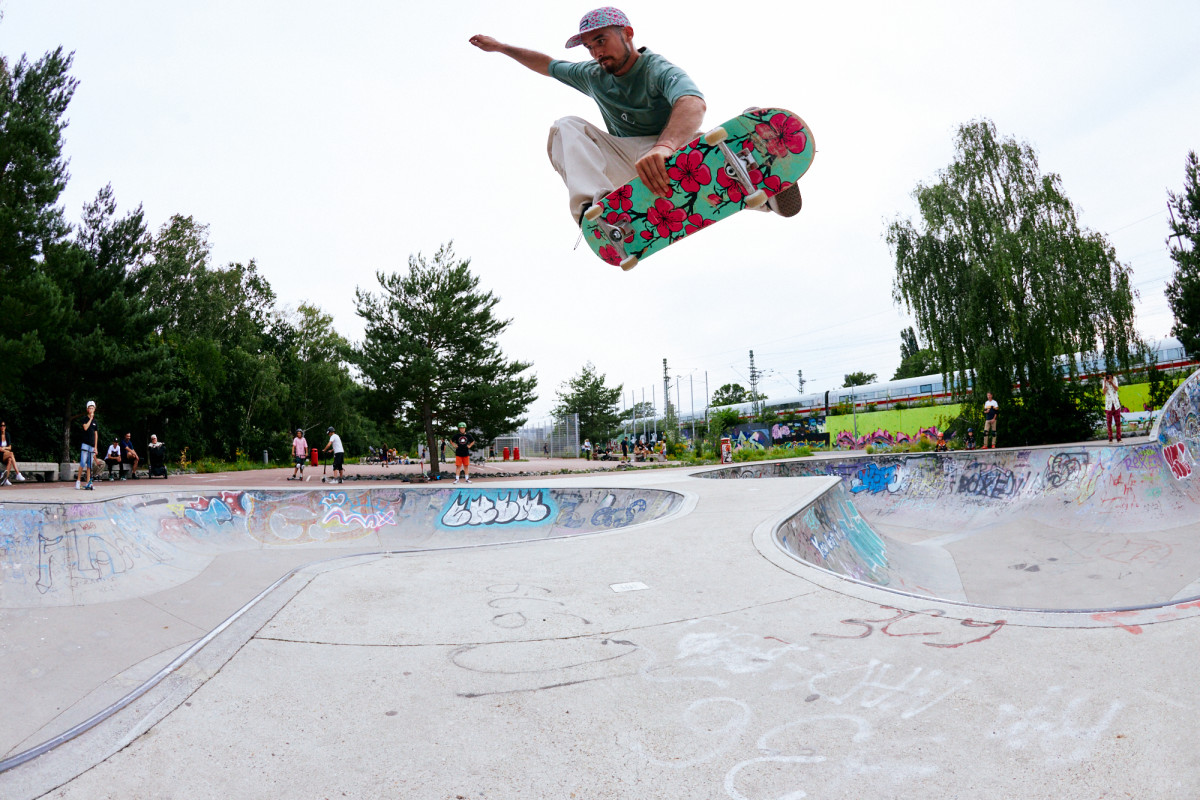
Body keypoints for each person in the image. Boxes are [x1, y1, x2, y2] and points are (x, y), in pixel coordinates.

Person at [470, 9, 802, 227]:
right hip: (627, 162)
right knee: (565, 127)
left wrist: (664, 147)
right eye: (589, 47)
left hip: (674, 153)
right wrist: (501, 47)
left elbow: (692, 102)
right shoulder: (592, 74)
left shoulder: (657, 69)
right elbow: (548, 65)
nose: (597, 52)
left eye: (601, 41)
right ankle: (597, 212)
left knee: (724, 142)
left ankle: (767, 184)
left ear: (627, 33)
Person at [76, 400, 100, 490]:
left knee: (89, 465)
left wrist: (96, 447)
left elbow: (96, 434)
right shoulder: (85, 419)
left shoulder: (95, 422)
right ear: (87, 409)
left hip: (92, 445)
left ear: (94, 409)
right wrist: (90, 418)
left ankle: (88, 482)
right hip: (85, 444)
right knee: (82, 463)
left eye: (92, 408)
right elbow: (85, 427)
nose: (91, 409)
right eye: (90, 408)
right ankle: (78, 481)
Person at [1103, 372, 1123, 443]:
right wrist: (1105, 382)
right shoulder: (1104, 381)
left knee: (1118, 423)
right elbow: (1104, 392)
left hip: (1116, 404)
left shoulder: (1115, 379)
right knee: (1109, 423)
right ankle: (1110, 439)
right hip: (1108, 405)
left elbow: (1116, 388)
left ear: (1112, 376)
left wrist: (1111, 382)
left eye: (1110, 376)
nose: (1109, 378)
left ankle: (1119, 438)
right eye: (1107, 376)